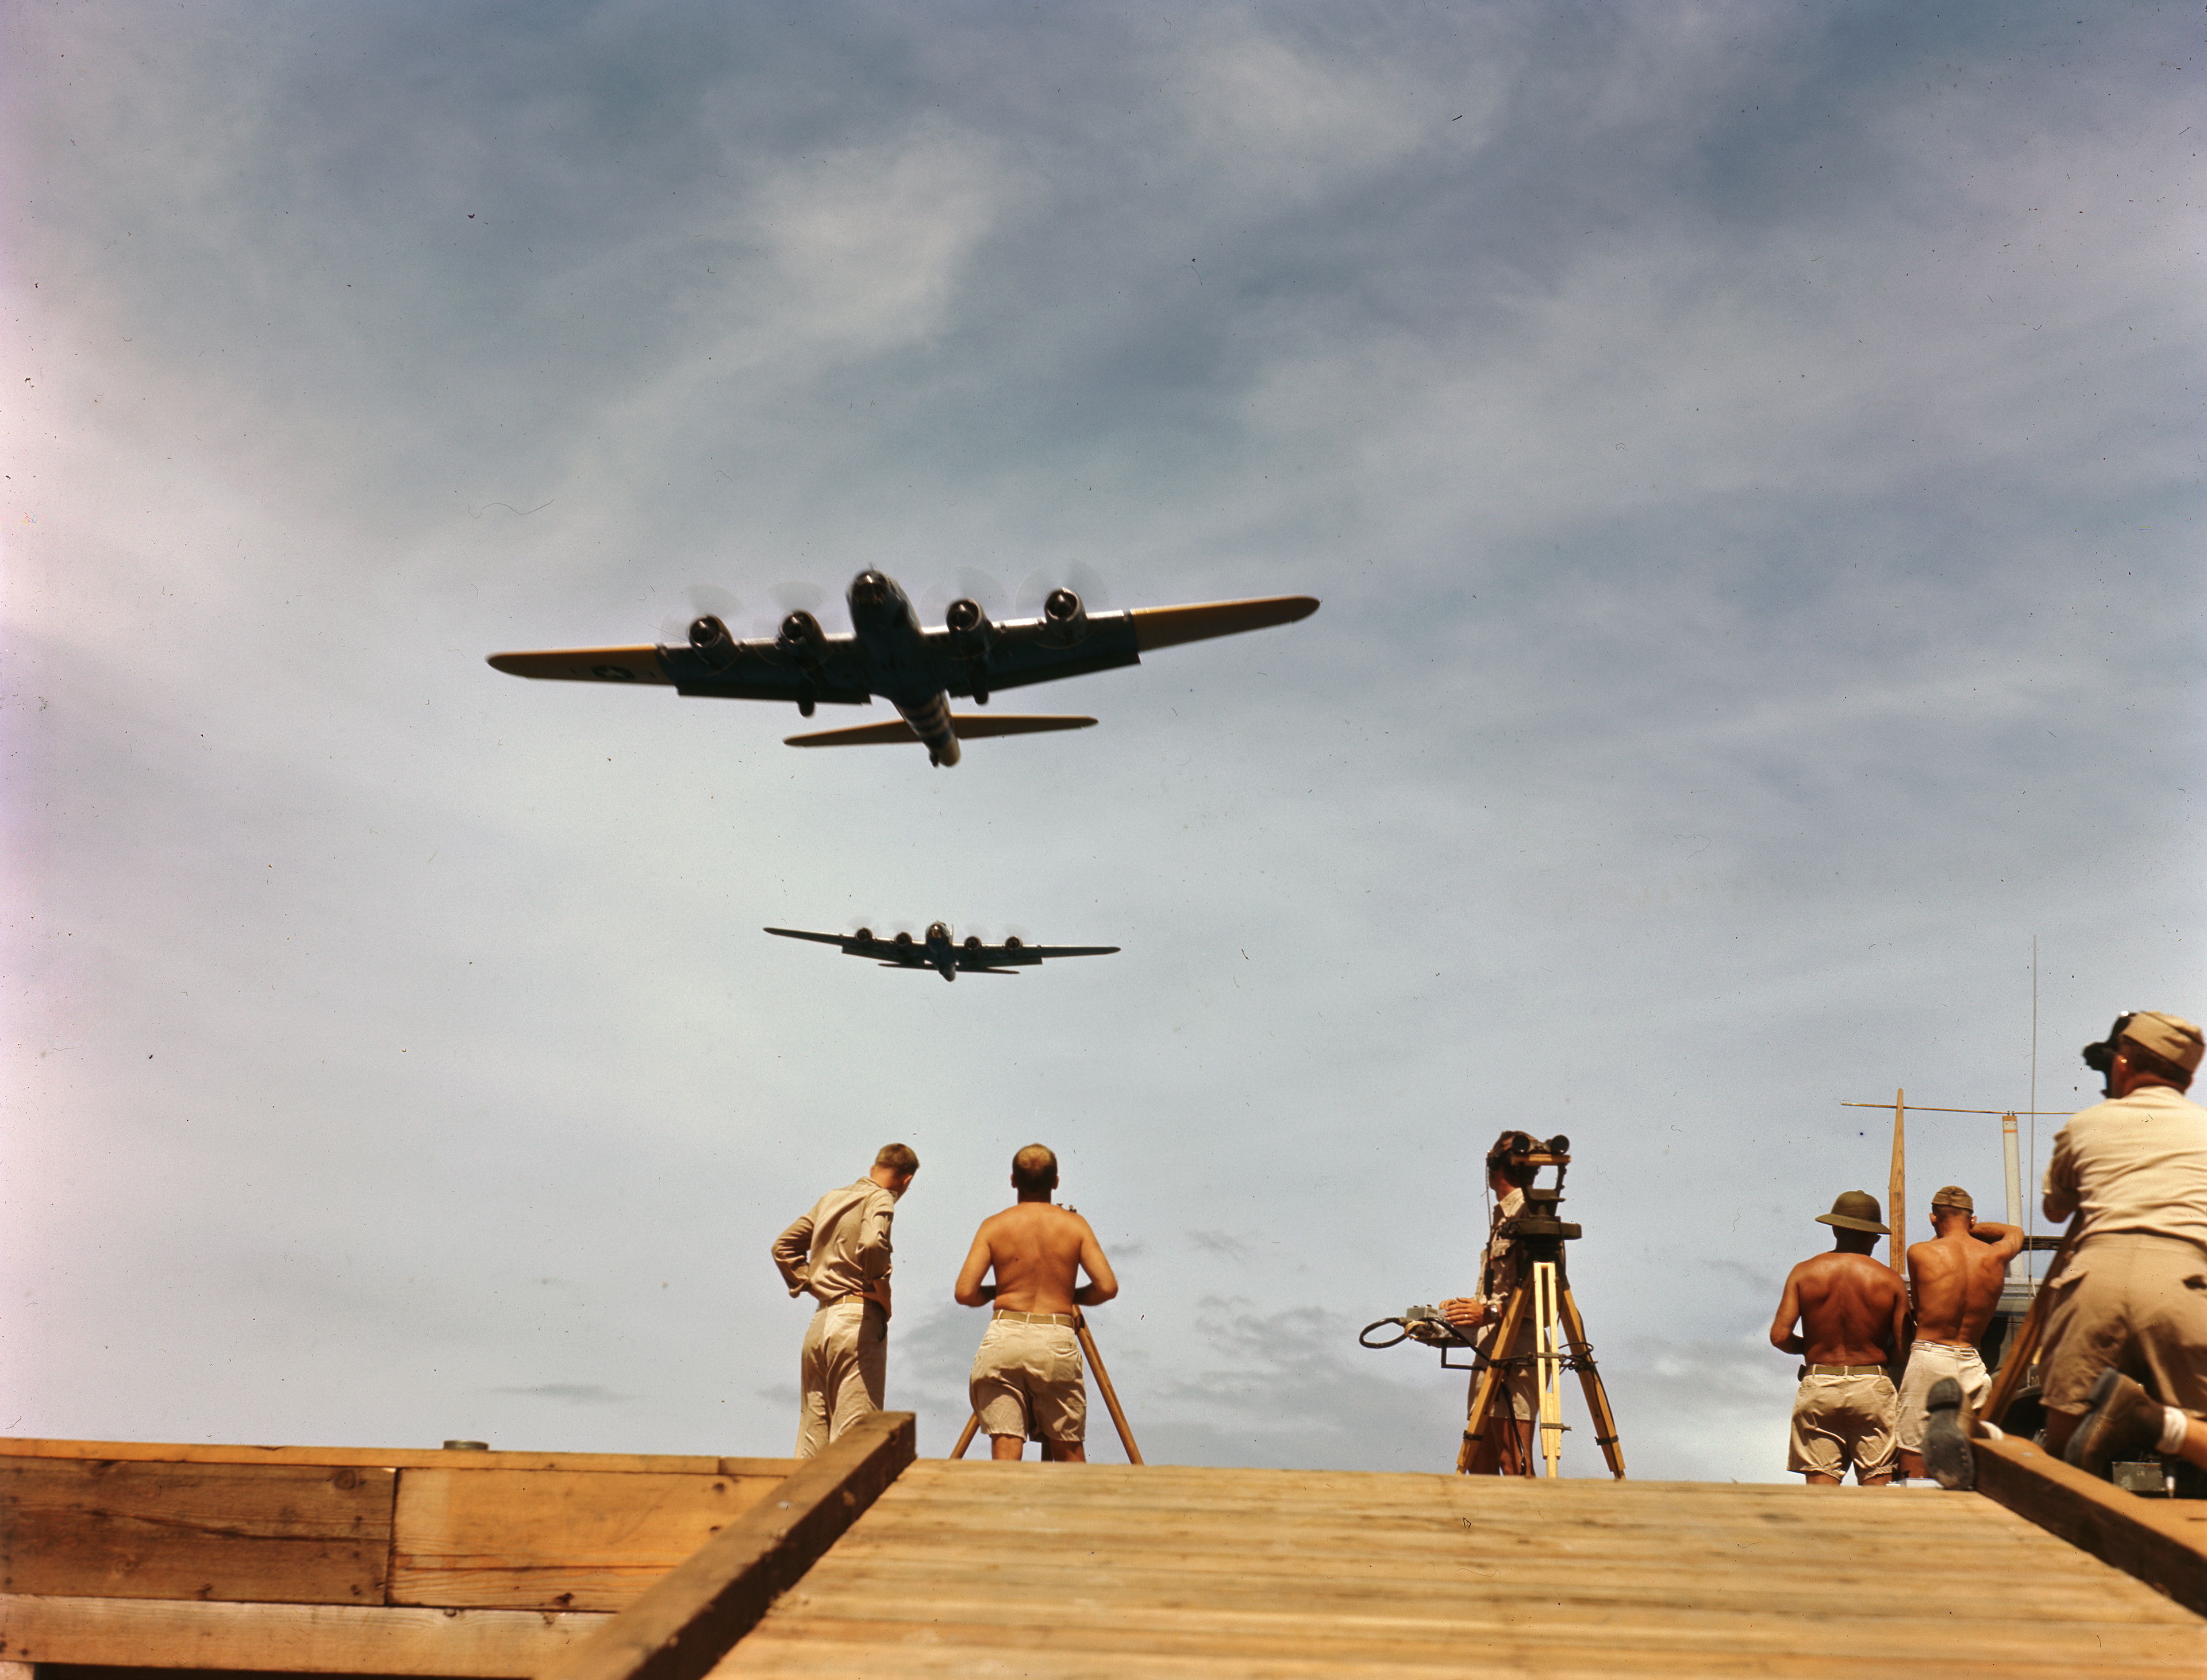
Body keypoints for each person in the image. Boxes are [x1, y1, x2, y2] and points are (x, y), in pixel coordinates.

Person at [2033, 1011, 2207, 1478]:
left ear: (2123, 1063)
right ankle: (2164, 1425)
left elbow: (2056, 1209)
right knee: (2200, 1436)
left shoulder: (2086, 1123)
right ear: (2188, 1079)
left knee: (2067, 1444)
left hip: (2095, 1278)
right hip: (2182, 1280)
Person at [953, 1144, 1118, 1462]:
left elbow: (965, 1292)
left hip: (1005, 1335)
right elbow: (1107, 1287)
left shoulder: (994, 1225)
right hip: (1054, 1337)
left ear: (1013, 1180)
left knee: (1006, 1450)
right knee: (1068, 1450)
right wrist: (1068, 1295)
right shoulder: (1075, 1225)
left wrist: (1001, 1291)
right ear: (1055, 1181)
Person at [771, 1143, 919, 1458]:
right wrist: (883, 1291)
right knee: (854, 1438)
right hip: (856, 1319)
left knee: (812, 1440)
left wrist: (810, 1283)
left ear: (873, 1168)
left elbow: (783, 1247)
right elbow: (873, 1243)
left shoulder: (831, 1199)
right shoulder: (882, 1197)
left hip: (820, 1322)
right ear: (907, 1180)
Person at [1768, 1191, 1908, 1486]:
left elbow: (1780, 1337)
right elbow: (1902, 1349)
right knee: (1878, 1485)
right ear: (1874, 1237)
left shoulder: (1804, 1272)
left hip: (1820, 1384)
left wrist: (1813, 1347)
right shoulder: (1889, 1279)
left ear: (1835, 1229)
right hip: (1872, 1386)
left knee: (1821, 1492)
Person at [1894, 1186, 2023, 1481]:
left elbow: (1920, 1305)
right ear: (1972, 1219)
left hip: (1930, 1356)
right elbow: (2014, 1231)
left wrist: (1950, 1230)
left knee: (1915, 1448)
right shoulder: (1996, 1255)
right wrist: (1971, 1229)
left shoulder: (1920, 1252)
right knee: (1972, 1453)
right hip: (1971, 1361)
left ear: (1933, 1218)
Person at [1440, 1130, 1542, 1474]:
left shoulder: (1533, 1217)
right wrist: (1464, 1312)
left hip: (1518, 1349)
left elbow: (1545, 1297)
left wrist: (1489, 1312)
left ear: (1493, 1166)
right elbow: (1501, 1292)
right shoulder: (1504, 1219)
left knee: (1513, 1462)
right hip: (1490, 1347)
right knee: (1479, 1461)